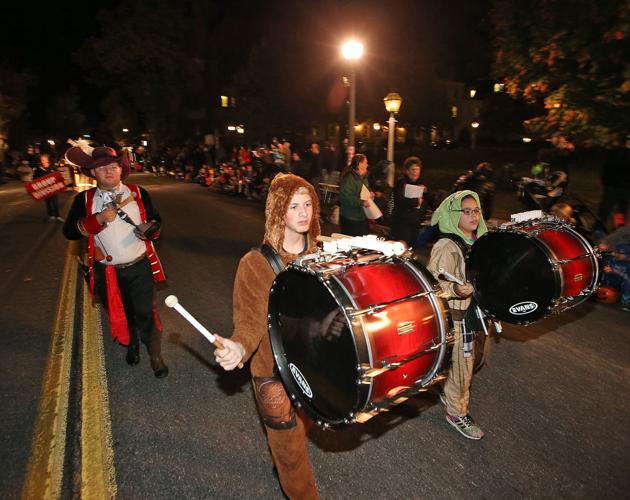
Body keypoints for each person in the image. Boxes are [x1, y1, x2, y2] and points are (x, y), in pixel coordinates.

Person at [214, 173, 320, 499]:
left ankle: (282, 451)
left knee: (306, 425)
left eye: (308, 205)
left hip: (315, 364)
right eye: (293, 206)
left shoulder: (324, 254)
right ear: (277, 212)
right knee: (290, 451)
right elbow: (249, 323)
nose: (304, 213)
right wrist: (238, 347)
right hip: (272, 372)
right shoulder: (255, 264)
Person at [62, 144, 169, 378]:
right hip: (107, 272)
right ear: (92, 173)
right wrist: (97, 218)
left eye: (113, 166)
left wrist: (150, 230)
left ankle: (155, 353)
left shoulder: (139, 193)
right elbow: (69, 231)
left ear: (121, 169)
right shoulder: (85, 200)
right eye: (102, 168)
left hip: (140, 267)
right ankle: (131, 345)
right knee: (122, 312)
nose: (109, 171)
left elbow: (156, 221)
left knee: (145, 313)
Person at [427, 190, 489, 440]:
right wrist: (454, 288)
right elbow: (432, 284)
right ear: (453, 216)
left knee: (476, 359)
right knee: (464, 366)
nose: (473, 215)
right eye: (466, 211)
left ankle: (448, 387)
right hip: (457, 317)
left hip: (476, 314)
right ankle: (456, 412)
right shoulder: (446, 247)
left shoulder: (481, 243)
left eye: (476, 210)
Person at [391, 156, 434, 246]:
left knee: (411, 246)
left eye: (417, 169)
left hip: (415, 221)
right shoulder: (401, 183)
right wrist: (416, 202)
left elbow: (431, 200)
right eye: (413, 169)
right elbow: (399, 201)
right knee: (403, 246)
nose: (416, 172)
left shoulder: (422, 183)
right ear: (407, 171)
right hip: (403, 222)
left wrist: (426, 192)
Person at [598, 134, 630, 231]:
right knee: (605, 210)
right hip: (613, 187)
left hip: (625, 188)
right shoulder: (616, 152)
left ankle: (618, 228)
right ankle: (598, 228)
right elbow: (607, 167)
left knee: (621, 211)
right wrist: (605, 181)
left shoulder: (615, 152)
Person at [339, 153, 370, 236]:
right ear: (360, 164)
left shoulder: (363, 177)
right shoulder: (350, 179)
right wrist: (361, 202)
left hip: (361, 216)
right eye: (365, 163)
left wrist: (370, 194)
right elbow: (345, 197)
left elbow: (362, 191)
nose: (367, 165)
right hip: (350, 217)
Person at [33, 153, 64, 222]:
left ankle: (58, 216)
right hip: (45, 189)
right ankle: (51, 216)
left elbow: (58, 175)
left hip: (54, 188)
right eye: (41, 160)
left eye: (43, 160)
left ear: (47, 160)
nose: (42, 161)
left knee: (55, 202)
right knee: (48, 202)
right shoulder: (38, 169)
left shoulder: (52, 167)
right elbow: (34, 179)